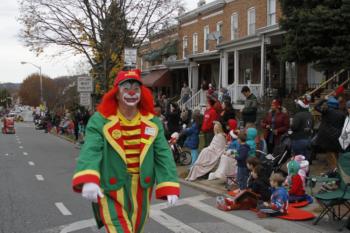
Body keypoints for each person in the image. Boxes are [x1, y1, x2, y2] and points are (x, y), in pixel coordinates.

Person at [72, 69, 180, 233]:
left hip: (142, 190)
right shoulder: (100, 121)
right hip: (111, 188)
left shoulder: (152, 122)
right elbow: (91, 149)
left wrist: (169, 184)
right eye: (126, 88)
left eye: (136, 89)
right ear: (116, 93)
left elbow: (163, 155)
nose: (131, 92)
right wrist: (89, 178)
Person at [314, 96, 345, 169]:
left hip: (327, 137)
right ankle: (337, 168)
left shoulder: (326, 112)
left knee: (330, 154)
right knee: (335, 154)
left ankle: (335, 169)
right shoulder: (342, 114)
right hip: (337, 137)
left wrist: (324, 99)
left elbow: (316, 106)